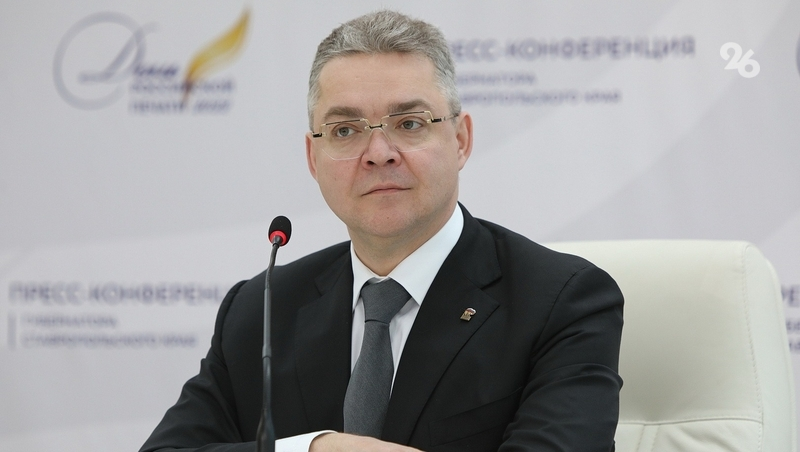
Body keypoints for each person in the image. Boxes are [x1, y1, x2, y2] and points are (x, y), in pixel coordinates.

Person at [140, 10, 623, 452]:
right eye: (345, 131)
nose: (378, 153)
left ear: (460, 140)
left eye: (409, 123)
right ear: (313, 159)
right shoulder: (261, 308)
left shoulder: (561, 301)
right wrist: (314, 450)